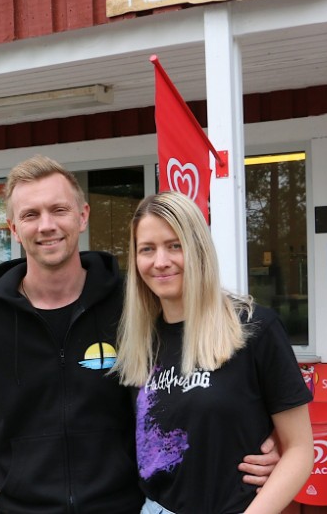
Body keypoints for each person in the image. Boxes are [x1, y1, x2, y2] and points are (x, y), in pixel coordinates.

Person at [0, 155, 279, 514]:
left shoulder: (139, 306)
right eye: (30, 214)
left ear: (82, 216)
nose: (46, 225)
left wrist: (274, 440)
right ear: (12, 227)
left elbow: (206, 380)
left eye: (59, 210)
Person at [113, 191, 314, 514]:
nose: (160, 261)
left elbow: (301, 449)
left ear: (198, 250)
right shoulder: (139, 342)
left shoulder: (253, 328)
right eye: (147, 249)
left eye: (174, 245)